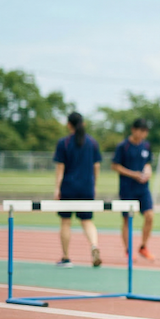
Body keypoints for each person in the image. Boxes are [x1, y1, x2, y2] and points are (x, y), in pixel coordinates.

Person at [52, 112, 104, 268]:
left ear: (69, 125)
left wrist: (57, 188)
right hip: (86, 187)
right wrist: (94, 184)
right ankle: (94, 245)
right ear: (84, 123)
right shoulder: (92, 143)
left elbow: (60, 169)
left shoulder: (64, 143)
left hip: (69, 186)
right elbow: (97, 166)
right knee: (87, 220)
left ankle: (66, 257)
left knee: (66, 222)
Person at [112, 118, 155, 260]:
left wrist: (147, 171)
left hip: (143, 188)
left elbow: (148, 163)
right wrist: (133, 174)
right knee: (127, 219)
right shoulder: (123, 146)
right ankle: (128, 250)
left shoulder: (146, 146)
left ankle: (143, 246)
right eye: (140, 131)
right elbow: (115, 166)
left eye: (145, 132)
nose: (143, 134)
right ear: (133, 130)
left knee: (150, 216)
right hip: (127, 188)